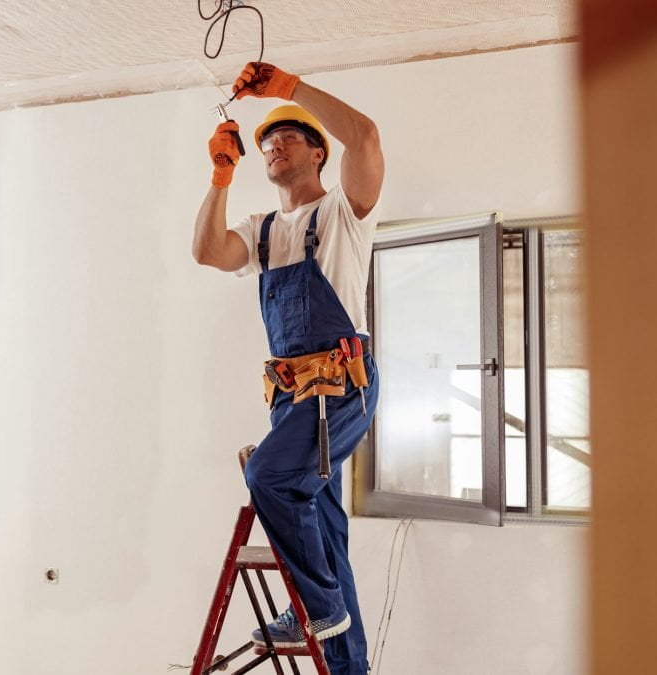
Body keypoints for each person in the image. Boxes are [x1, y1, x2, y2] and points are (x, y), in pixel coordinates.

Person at [192, 62, 383, 675]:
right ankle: (346, 659)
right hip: (291, 397)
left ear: (319, 151)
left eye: (289, 135)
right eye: (265, 140)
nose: (273, 144)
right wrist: (220, 178)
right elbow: (207, 250)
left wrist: (287, 90)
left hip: (341, 387)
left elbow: (368, 137)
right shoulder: (263, 229)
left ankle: (315, 603)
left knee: (270, 477)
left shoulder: (344, 215)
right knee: (325, 534)